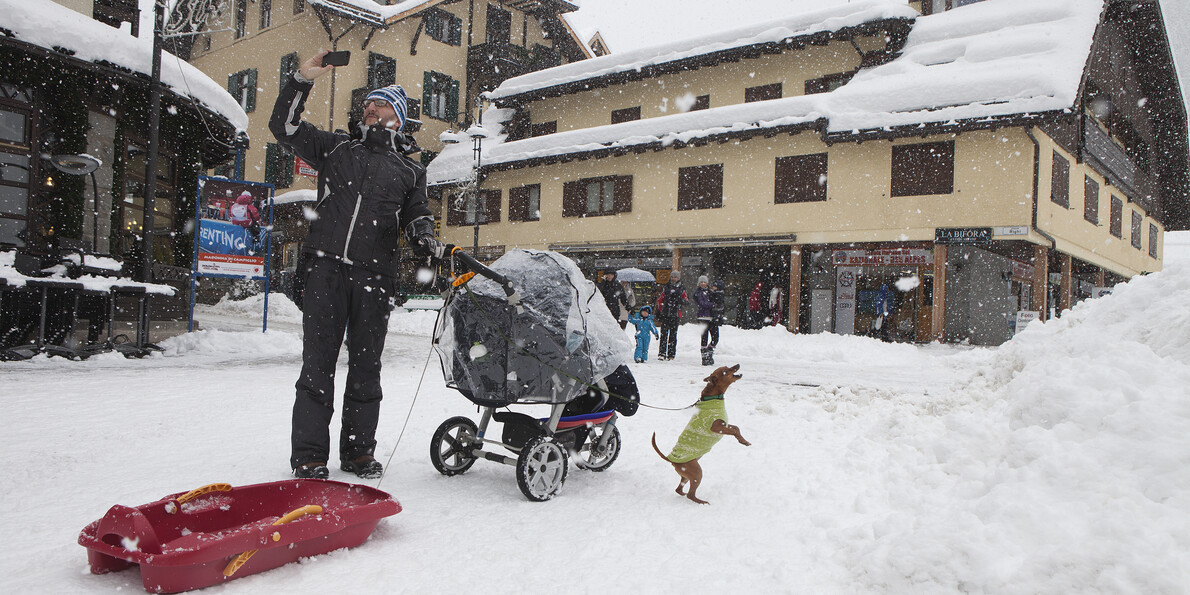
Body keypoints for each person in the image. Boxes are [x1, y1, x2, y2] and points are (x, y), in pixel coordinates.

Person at [269, 50, 444, 480]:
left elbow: (418, 214)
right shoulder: (335, 148)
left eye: (381, 104)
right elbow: (283, 127)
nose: (370, 107)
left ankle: (359, 451)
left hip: (375, 276)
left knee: (366, 368)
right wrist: (301, 79)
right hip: (325, 269)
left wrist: (423, 237)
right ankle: (309, 456)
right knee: (317, 365)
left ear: (398, 117)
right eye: (368, 102)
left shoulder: (410, 171)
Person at [655, 270, 687, 361]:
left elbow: (686, 301)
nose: (673, 278)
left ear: (678, 278)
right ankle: (662, 353)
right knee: (664, 334)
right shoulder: (666, 287)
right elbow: (660, 300)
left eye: (675, 277)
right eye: (672, 277)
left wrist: (680, 301)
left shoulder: (682, 288)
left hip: (675, 314)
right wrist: (660, 310)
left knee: (673, 335)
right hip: (666, 313)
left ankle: (671, 354)